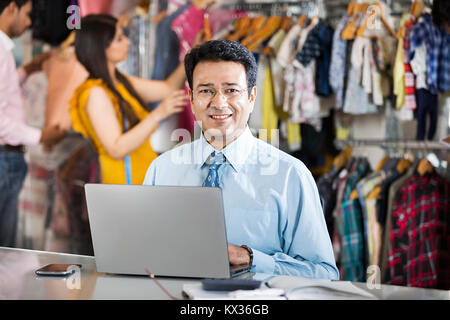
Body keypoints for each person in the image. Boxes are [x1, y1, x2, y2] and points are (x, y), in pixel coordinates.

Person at [143, 40, 339, 279]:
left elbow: (323, 273)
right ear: (192, 99)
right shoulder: (161, 169)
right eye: (206, 90)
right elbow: (147, 255)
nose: (219, 102)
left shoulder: (290, 175)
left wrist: (251, 258)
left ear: (252, 97)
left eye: (231, 90)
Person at [70, 14, 197, 184]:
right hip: (125, 184)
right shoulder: (95, 93)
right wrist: (158, 114)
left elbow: (168, 88)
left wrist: (192, 53)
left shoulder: (119, 82)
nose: (128, 42)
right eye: (119, 39)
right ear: (101, 48)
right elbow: (116, 149)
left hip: (140, 179)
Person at [0, 0, 65, 247]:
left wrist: (27, 69)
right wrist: (40, 136)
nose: (29, 23)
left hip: (7, 159)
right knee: (4, 248)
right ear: (10, 9)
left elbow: (3, 91)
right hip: (5, 158)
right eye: (27, 14)